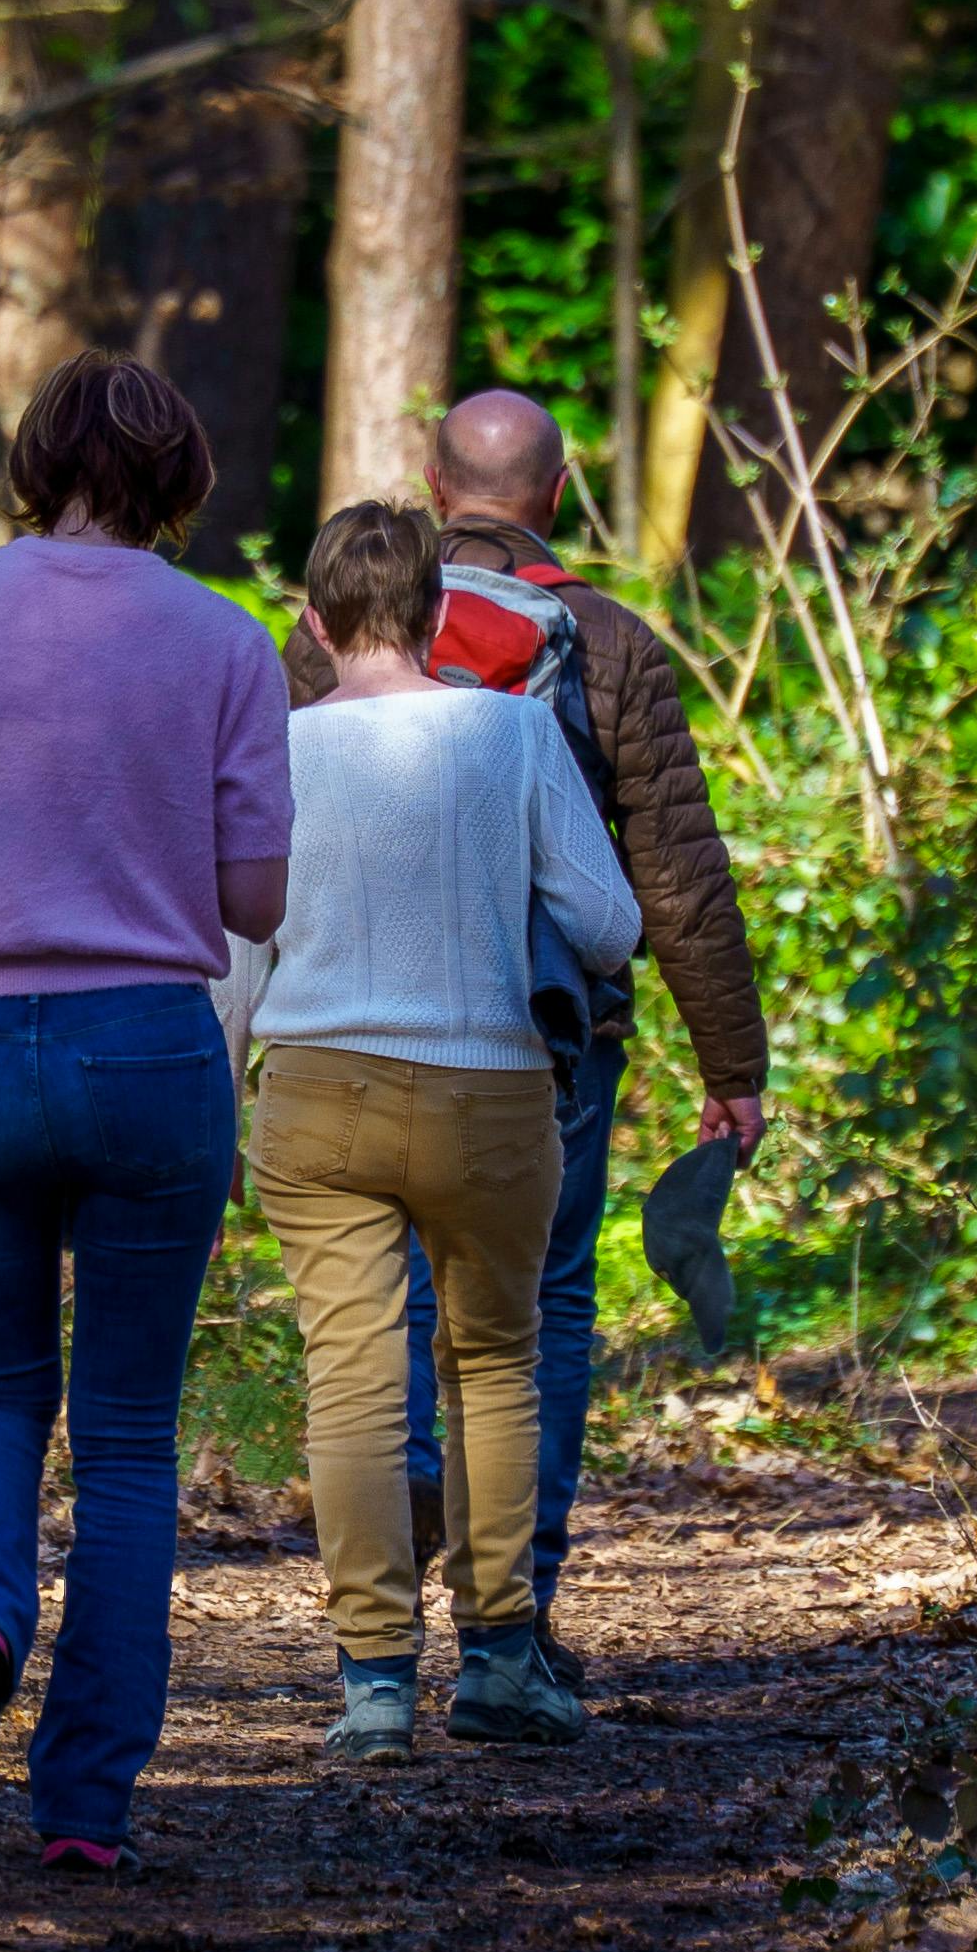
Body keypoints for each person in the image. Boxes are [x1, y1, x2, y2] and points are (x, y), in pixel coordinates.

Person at [0, 349, 292, 1875]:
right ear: (179, 486)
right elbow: (254, 899)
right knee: (135, 1442)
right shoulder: (224, 642)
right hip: (151, 1053)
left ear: (35, 464)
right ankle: (86, 1804)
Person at [287, 381, 768, 1690]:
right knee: (536, 1317)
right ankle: (514, 1627)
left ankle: (404, 1539)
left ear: (438, 492)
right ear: (553, 495)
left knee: (375, 1327)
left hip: (342, 1041)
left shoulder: (323, 639)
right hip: (542, 1041)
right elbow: (673, 881)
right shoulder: (609, 645)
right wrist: (734, 1071)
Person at [252, 499, 645, 1765]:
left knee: (352, 1380)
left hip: (313, 1089)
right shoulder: (513, 732)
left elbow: (232, 935)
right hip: (489, 1089)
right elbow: (609, 923)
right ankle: (496, 1663)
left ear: (314, 623)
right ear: (435, 615)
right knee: (491, 1364)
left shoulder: (276, 749)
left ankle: (372, 1685)